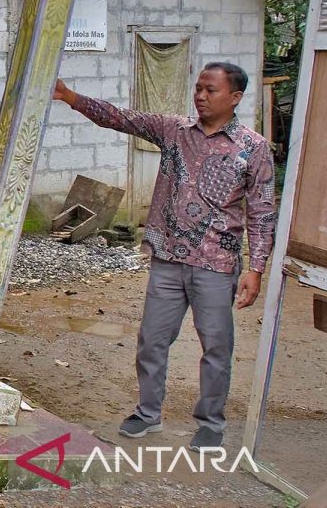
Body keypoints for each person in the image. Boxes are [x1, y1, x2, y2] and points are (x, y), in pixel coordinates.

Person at [52, 62, 276, 451]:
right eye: (198, 89)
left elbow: (261, 212)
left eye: (211, 90)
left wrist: (256, 268)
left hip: (216, 265)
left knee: (217, 347)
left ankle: (210, 423)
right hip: (168, 259)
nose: (201, 96)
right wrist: (71, 98)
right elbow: (121, 118)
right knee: (152, 340)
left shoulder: (253, 148)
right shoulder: (174, 131)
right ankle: (147, 413)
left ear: (235, 97)